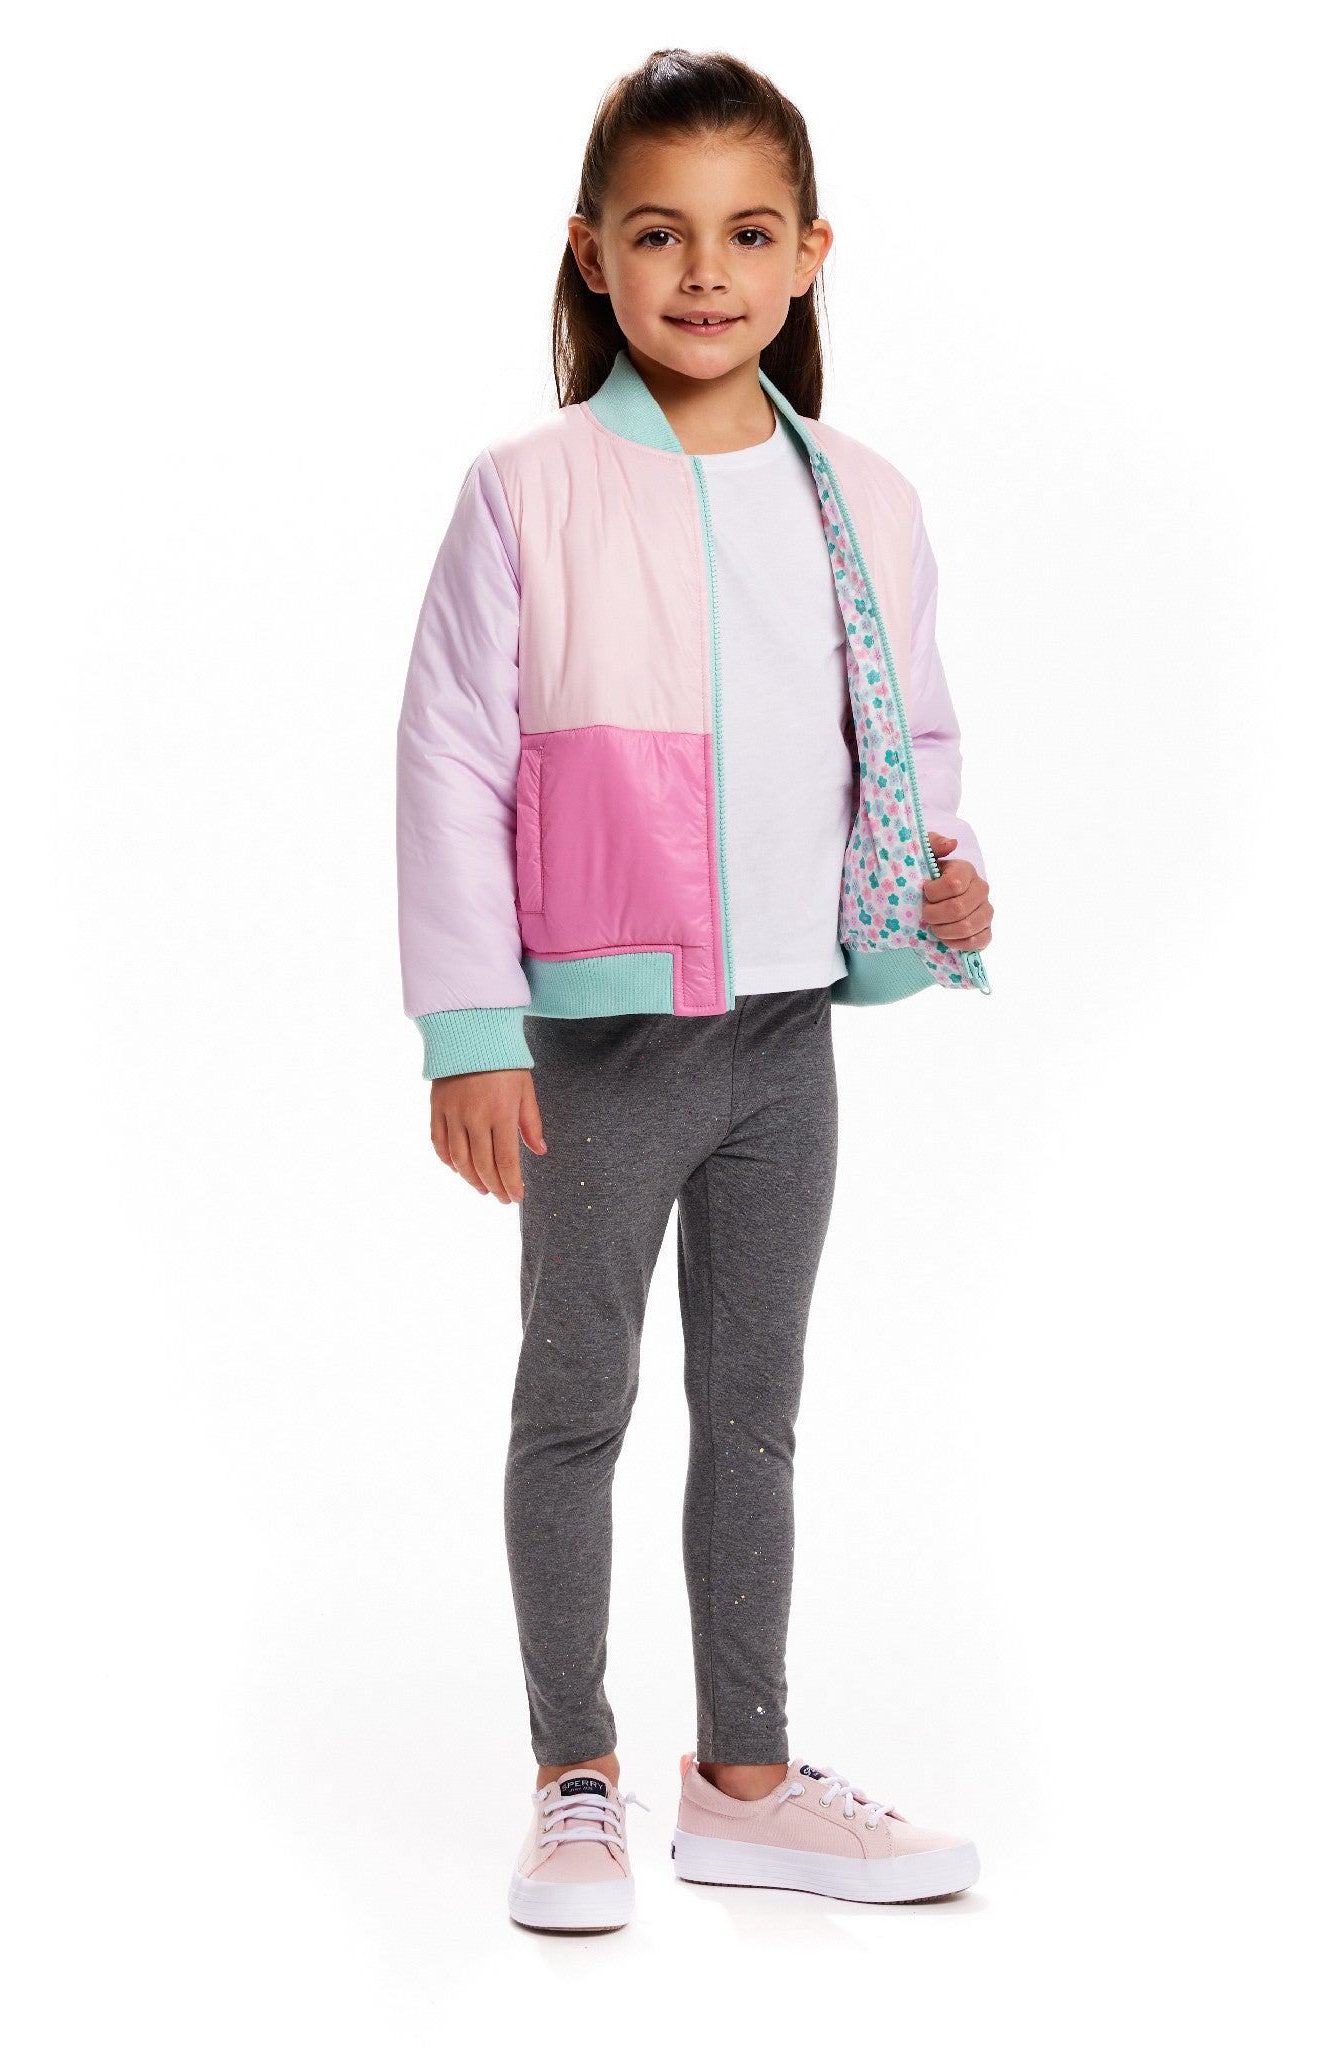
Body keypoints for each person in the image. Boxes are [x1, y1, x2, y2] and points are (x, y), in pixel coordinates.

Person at [394, 49, 996, 1933]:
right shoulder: (530, 491)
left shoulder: (866, 499)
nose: (706, 273)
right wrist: (472, 1031)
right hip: (600, 1043)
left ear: (811, 253)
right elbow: (451, 759)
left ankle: (746, 1778)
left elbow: (908, 740)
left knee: (755, 1412)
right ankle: (573, 1776)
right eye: (661, 235)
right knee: (575, 1402)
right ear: (593, 253)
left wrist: (943, 887)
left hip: (786, 1035)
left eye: (748, 234)